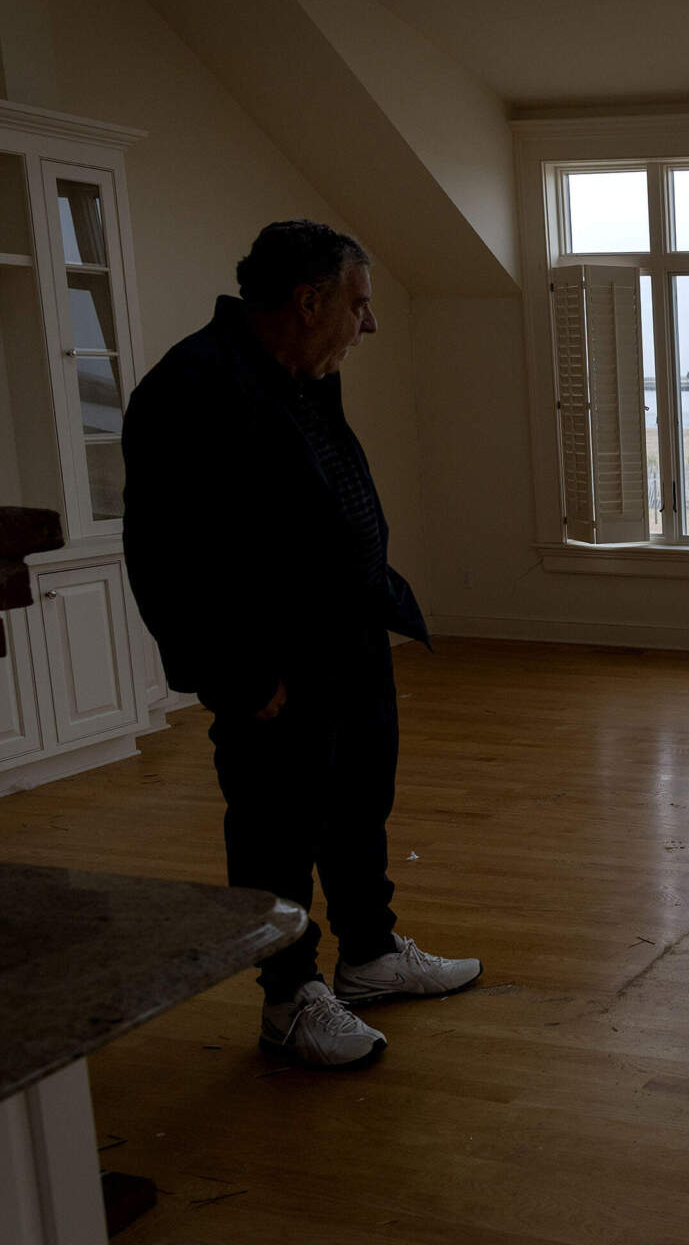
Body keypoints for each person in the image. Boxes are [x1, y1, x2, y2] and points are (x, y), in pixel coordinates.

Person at [122, 220, 480, 1070]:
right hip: (272, 665)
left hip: (347, 636)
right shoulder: (194, 387)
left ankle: (370, 955)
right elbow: (166, 556)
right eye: (359, 304)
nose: (370, 323)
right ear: (308, 301)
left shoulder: (302, 376)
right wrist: (236, 675)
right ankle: (288, 998)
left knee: (358, 805)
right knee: (275, 828)